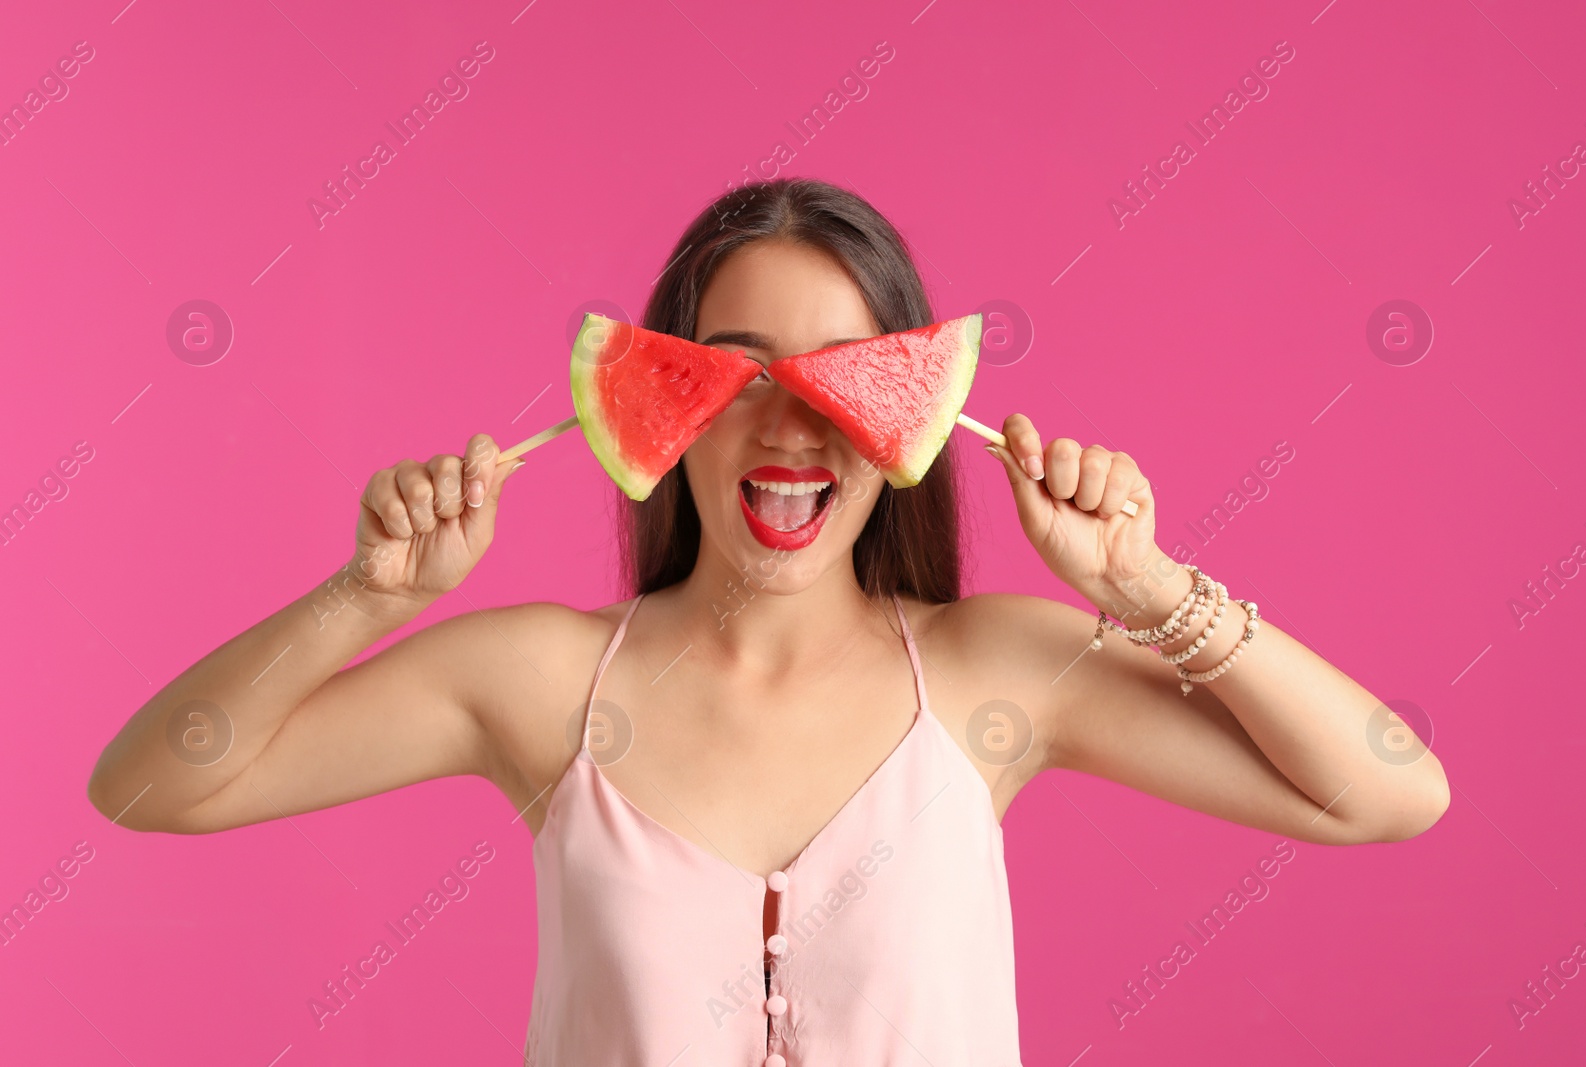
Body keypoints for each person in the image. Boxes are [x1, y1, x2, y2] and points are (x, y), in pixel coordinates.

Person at [87, 178, 1448, 1065]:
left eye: (848, 380)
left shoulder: (999, 675)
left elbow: (1388, 794)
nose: (790, 426)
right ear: (663, 411)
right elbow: (147, 786)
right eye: (729, 375)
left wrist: (1153, 594)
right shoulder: (545, 682)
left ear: (907, 423)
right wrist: (365, 597)